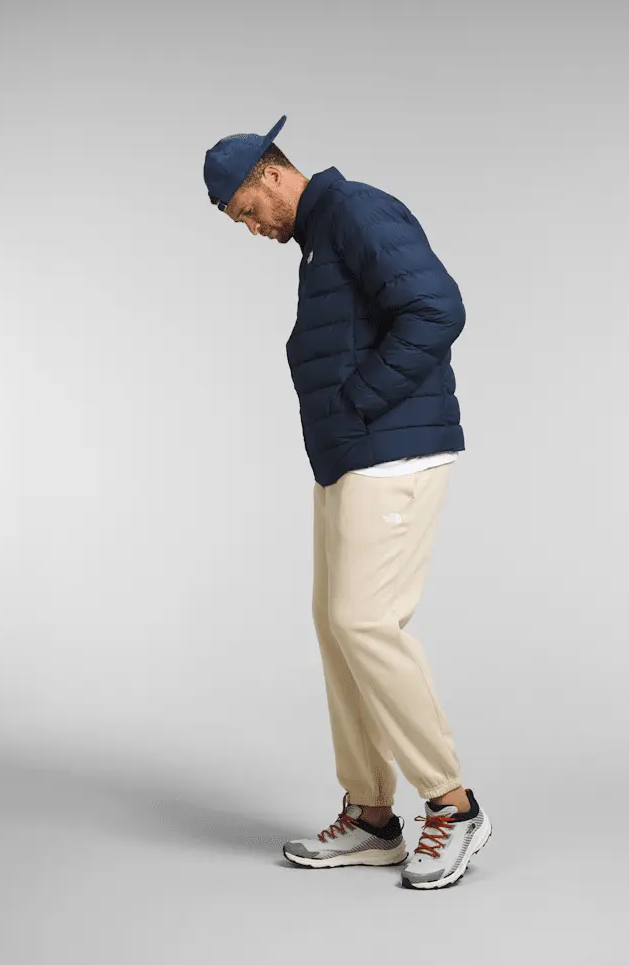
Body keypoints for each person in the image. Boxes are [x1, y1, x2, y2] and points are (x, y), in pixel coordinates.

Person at [203, 115, 491, 890]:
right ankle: (371, 815)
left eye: (248, 211)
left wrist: (359, 401)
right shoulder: (321, 236)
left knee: (364, 621)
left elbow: (438, 308)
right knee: (338, 628)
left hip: (393, 450)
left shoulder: (357, 210)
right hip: (353, 458)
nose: (253, 229)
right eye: (240, 223)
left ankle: (455, 807)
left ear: (271, 173)